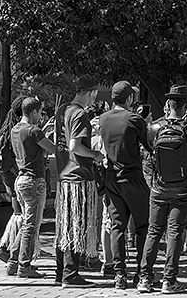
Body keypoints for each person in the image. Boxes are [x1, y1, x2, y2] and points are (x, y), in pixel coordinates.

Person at [137, 85, 187, 294]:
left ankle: (144, 278)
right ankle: (169, 280)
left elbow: (149, 154)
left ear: (169, 105)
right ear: (184, 107)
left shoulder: (155, 128)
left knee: (153, 231)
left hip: (159, 187)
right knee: (175, 231)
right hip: (182, 188)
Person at [99, 81, 152, 289]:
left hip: (111, 179)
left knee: (117, 226)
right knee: (143, 226)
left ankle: (119, 274)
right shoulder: (134, 119)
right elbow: (148, 145)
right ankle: (142, 272)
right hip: (132, 177)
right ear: (129, 99)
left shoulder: (103, 119)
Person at [54, 75, 105, 288]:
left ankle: (61, 273)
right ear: (91, 92)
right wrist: (95, 155)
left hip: (64, 175)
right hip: (78, 177)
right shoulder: (80, 114)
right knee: (77, 224)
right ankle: (70, 274)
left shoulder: (62, 110)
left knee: (64, 226)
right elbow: (75, 145)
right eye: (95, 95)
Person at [7, 97, 56, 278]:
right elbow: (51, 148)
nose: (41, 115)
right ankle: (24, 265)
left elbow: (32, 147)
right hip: (34, 180)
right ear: (34, 112)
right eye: (40, 112)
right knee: (31, 226)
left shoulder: (15, 129)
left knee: (27, 223)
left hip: (20, 179)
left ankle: (13, 261)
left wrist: (43, 132)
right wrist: (48, 135)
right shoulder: (34, 131)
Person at [0, 96, 26, 265]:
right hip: (14, 174)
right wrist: (19, 171)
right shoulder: (15, 129)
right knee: (20, 214)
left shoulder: (8, 128)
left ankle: (8, 248)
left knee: (18, 214)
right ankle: (8, 250)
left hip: (9, 175)